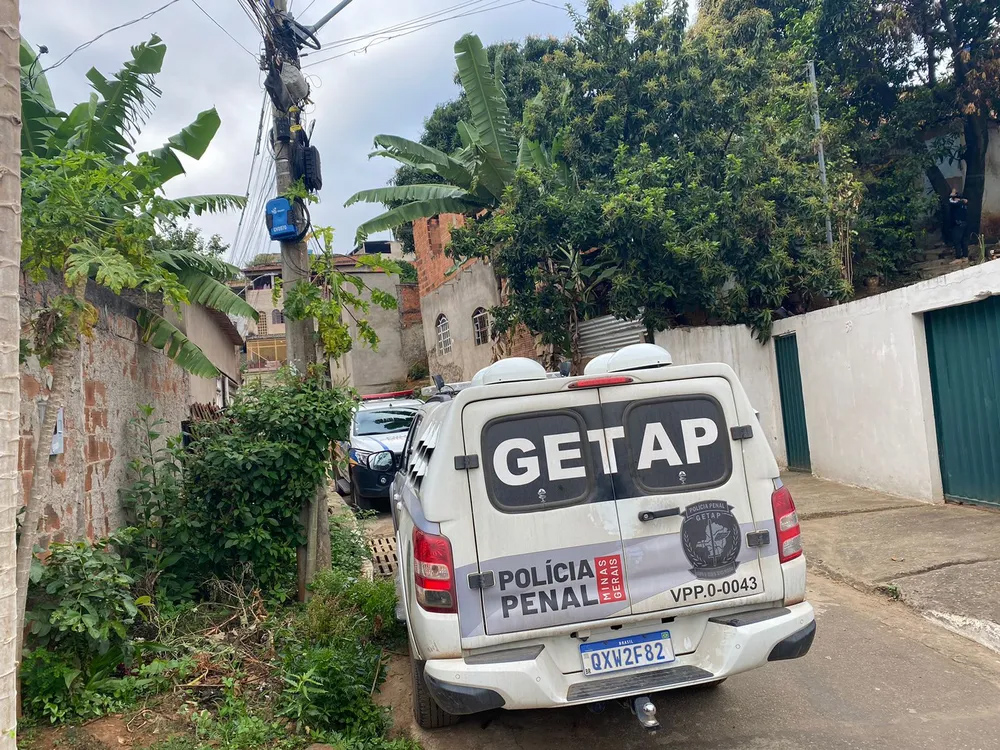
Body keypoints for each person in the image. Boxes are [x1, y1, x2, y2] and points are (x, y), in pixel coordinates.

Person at [948, 188, 969, 262]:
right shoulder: (963, 203)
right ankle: (965, 256)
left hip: (958, 225)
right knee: (964, 241)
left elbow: (950, 201)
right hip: (964, 224)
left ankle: (958, 258)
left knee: (957, 241)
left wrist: (952, 196)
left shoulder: (956, 204)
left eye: (953, 193)